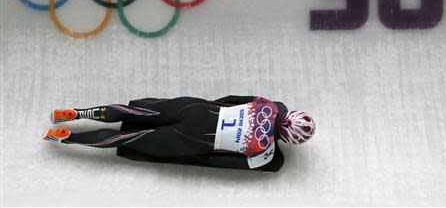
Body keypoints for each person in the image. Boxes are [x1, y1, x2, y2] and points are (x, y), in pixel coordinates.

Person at [43, 96, 315, 172]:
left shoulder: (268, 104)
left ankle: (79, 112)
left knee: (132, 113)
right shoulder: (266, 154)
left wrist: (205, 106)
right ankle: (68, 137)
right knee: (128, 140)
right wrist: (193, 157)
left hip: (194, 109)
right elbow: (220, 162)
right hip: (191, 140)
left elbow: (231, 99)